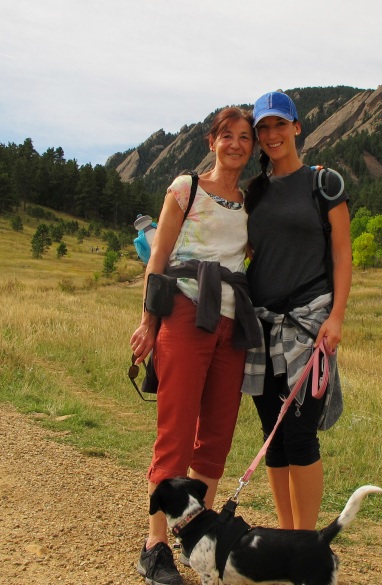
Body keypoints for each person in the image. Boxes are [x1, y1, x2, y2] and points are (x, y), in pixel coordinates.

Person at [130, 106, 260, 585]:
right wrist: (148, 323)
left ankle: (200, 539)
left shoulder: (249, 202)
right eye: (227, 136)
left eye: (245, 137)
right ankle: (156, 545)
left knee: (217, 438)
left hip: (232, 324)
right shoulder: (185, 189)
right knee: (177, 433)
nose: (236, 144)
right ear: (212, 142)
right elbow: (158, 258)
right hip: (185, 313)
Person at [242, 91, 352, 530]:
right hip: (261, 326)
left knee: (301, 434)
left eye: (279, 125)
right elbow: (246, 252)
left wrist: (337, 316)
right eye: (263, 128)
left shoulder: (323, 184)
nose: (271, 135)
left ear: (297, 128)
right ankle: (286, 538)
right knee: (274, 436)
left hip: (308, 326)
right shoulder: (255, 192)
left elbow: (343, 255)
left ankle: (304, 542)